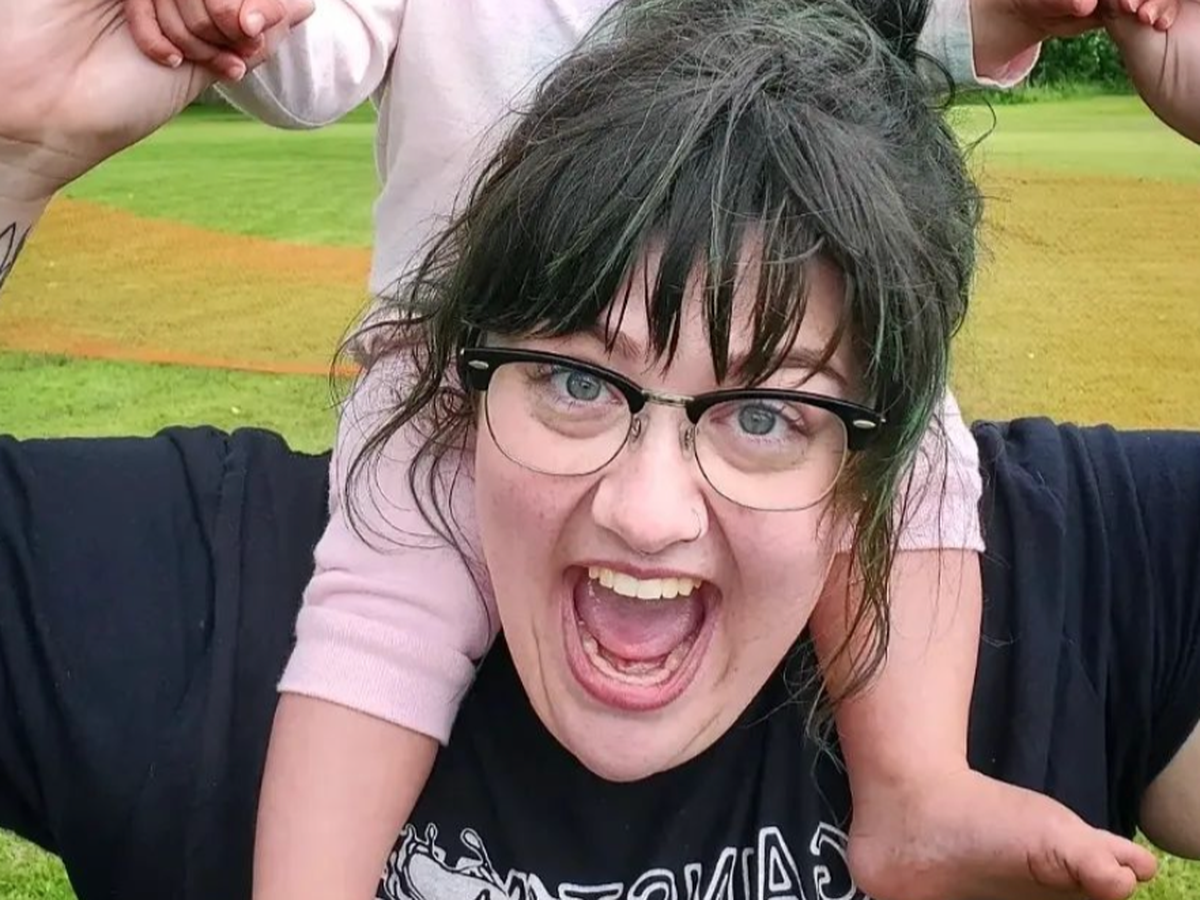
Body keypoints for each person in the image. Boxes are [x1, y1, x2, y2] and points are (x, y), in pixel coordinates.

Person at [1, 4, 1199, 900]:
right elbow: (316, 51)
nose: (648, 511)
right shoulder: (196, 588)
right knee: (380, 610)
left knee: (921, 445)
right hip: (446, 348)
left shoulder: (1077, 558)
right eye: (582, 382)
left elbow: (951, 21)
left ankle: (917, 786)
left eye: (765, 415)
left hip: (827, 293)